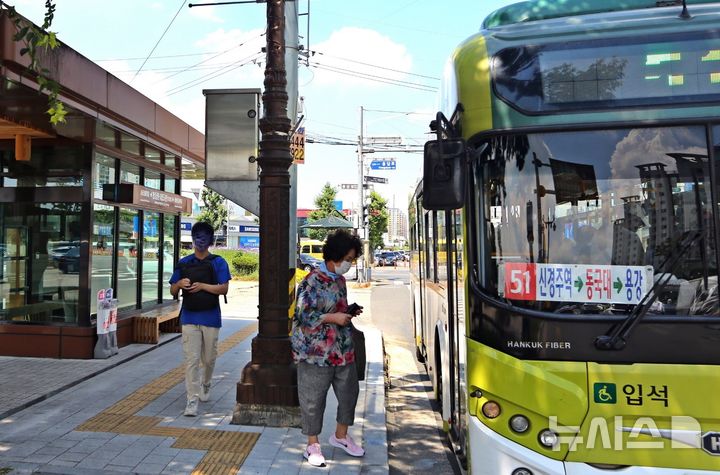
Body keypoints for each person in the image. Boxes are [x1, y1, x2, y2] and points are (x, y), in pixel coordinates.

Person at [291, 229, 365, 467]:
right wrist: (333, 318)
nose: (349, 264)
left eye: (352, 260)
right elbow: (303, 315)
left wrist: (348, 313)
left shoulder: (339, 280)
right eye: (348, 259)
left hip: (342, 349)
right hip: (315, 353)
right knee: (313, 400)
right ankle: (312, 444)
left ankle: (341, 436)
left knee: (349, 394)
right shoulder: (311, 281)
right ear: (335, 256)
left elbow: (337, 308)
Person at [169, 221, 231, 417]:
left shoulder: (218, 262)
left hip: (211, 317)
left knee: (209, 358)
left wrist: (203, 286)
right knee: (191, 360)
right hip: (189, 316)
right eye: (197, 237)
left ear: (210, 240)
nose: (200, 241)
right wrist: (179, 283)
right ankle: (191, 400)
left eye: (204, 237)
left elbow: (224, 288)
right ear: (193, 239)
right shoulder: (184, 263)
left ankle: (206, 383)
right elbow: (172, 289)